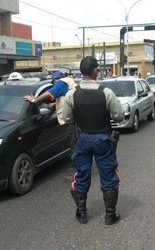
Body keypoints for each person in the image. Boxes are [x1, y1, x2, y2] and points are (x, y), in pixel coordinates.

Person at [62, 56, 124, 225]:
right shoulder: (106, 92)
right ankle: (110, 215)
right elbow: (119, 116)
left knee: (81, 174)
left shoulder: (72, 94)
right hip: (103, 138)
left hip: (81, 139)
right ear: (95, 70)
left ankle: (82, 213)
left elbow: (67, 118)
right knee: (109, 174)